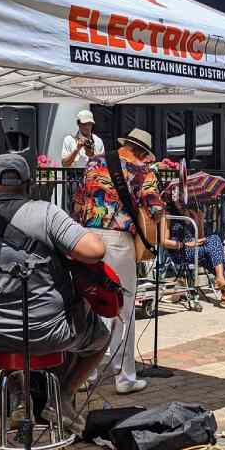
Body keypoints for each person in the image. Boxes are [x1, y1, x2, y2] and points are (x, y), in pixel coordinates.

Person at [0, 154, 109, 434]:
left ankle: (20, 399)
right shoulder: (46, 213)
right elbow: (95, 251)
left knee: (13, 333)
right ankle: (60, 396)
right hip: (51, 335)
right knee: (99, 336)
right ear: (29, 184)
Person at [73, 128, 164, 395]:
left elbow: (78, 203)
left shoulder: (93, 163)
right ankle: (124, 377)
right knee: (122, 308)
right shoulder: (140, 171)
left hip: (87, 237)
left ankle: (84, 375)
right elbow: (154, 209)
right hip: (117, 240)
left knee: (89, 305)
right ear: (141, 152)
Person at [161, 201, 225, 306]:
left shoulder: (191, 212)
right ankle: (224, 287)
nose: (182, 198)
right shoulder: (167, 214)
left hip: (195, 249)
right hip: (180, 251)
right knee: (216, 249)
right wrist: (184, 244)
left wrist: (199, 221)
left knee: (214, 244)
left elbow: (199, 236)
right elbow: (163, 242)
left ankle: (222, 283)